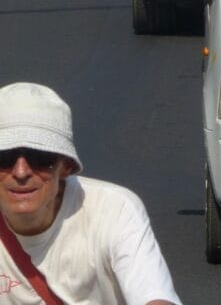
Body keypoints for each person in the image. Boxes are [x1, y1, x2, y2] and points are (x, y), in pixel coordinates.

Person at [0, 82, 181, 305]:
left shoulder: (114, 209)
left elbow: (155, 298)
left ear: (65, 166)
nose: (20, 172)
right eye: (4, 158)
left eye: (39, 158)